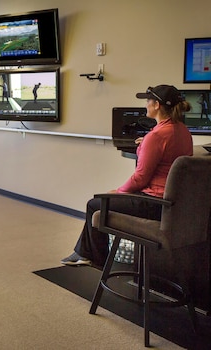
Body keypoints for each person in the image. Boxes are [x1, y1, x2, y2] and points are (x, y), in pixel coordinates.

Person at [61, 85, 193, 268]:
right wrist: (144, 144)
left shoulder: (156, 136)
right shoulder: (183, 131)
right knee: (99, 203)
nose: (146, 105)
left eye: (148, 101)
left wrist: (119, 191)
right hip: (173, 203)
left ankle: (96, 260)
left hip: (153, 203)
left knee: (95, 204)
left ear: (157, 105)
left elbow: (140, 178)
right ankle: (83, 253)